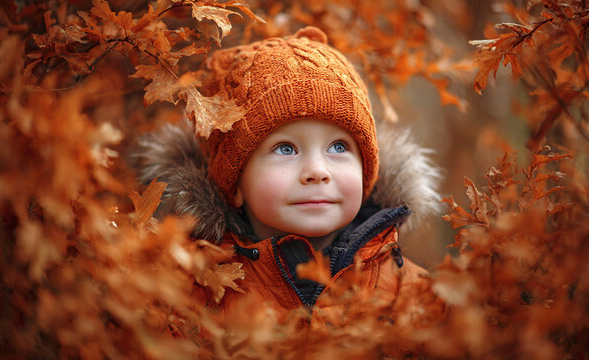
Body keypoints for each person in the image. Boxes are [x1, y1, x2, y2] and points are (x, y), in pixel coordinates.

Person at [132, 26, 443, 355]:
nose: (317, 172)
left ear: (366, 173)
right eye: (286, 149)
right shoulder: (191, 293)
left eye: (338, 147)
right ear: (235, 185)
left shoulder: (412, 294)